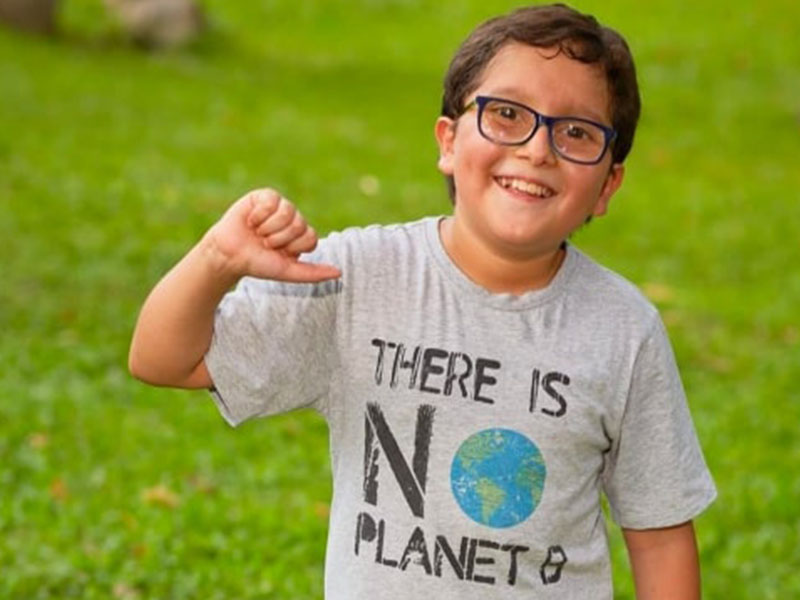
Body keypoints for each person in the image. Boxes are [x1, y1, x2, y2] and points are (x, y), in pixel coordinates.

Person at [129, 4, 716, 598]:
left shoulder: (624, 330)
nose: (539, 148)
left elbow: (660, 536)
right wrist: (216, 260)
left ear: (607, 185)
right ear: (448, 141)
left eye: (577, 132)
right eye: (507, 114)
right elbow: (163, 360)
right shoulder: (353, 279)